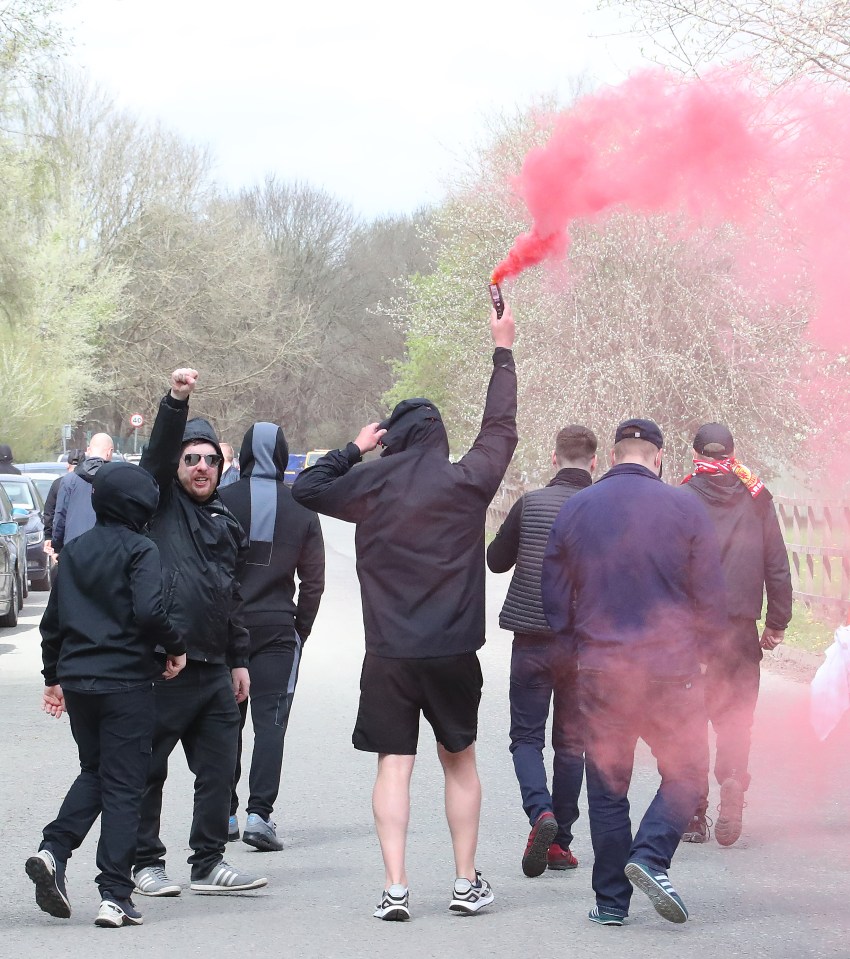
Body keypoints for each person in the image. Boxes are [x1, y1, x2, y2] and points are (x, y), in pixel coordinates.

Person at [293, 304, 517, 921]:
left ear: (392, 439)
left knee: (396, 764)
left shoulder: (372, 487)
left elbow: (305, 489)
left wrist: (355, 448)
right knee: (459, 762)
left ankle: (395, 889)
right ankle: (465, 883)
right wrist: (503, 349)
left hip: (389, 653)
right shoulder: (467, 481)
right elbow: (501, 429)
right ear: (440, 436)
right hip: (451, 652)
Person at [541, 418, 725, 927]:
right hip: (672, 670)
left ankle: (611, 903)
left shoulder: (577, 508)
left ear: (614, 455)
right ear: (658, 457)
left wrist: (575, 647)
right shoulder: (687, 506)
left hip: (601, 669)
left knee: (607, 788)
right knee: (686, 773)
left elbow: (553, 596)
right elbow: (711, 593)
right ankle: (651, 855)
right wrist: (706, 653)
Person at [27, 462, 186, 928]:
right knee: (124, 785)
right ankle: (115, 894)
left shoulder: (74, 551)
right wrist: (175, 647)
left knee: (95, 771)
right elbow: (149, 611)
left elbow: (51, 622)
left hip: (79, 682)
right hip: (126, 682)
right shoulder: (142, 548)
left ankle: (53, 851)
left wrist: (52, 675)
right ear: (141, 506)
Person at [132, 368, 267, 897]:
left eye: (212, 459)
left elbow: (231, 598)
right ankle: (145, 862)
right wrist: (176, 401)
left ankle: (208, 862)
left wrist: (240, 660)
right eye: (192, 458)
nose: (203, 466)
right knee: (149, 771)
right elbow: (160, 453)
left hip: (214, 669)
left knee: (219, 769)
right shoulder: (160, 503)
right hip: (165, 665)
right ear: (178, 467)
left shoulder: (225, 523)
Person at [487, 425, 596, 878]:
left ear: (554, 459)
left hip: (531, 638)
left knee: (526, 738)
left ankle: (541, 816)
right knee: (572, 744)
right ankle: (561, 843)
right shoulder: (602, 508)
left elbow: (495, 560)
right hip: (582, 645)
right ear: (594, 462)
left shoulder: (530, 503)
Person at [680, 422, 792, 847]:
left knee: (689, 720)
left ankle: (694, 814)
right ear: (733, 451)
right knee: (736, 718)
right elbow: (777, 564)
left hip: (693, 633)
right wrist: (777, 623)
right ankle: (731, 781)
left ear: (695, 453)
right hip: (741, 630)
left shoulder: (683, 497)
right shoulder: (757, 497)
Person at [218, 421, 325, 851]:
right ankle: (260, 816)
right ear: (282, 457)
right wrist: (301, 628)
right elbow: (313, 583)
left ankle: (223, 813)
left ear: (243, 455)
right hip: (278, 629)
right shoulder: (301, 507)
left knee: (225, 725)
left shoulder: (222, 502)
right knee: (271, 725)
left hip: (227, 633)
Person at [52, 434, 115, 554]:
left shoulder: (69, 480)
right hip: (107, 549)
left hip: (74, 548)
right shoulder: (117, 479)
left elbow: (60, 515)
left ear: (88, 450)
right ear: (109, 452)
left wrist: (57, 545)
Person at [43, 450, 83, 555]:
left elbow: (49, 512)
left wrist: (49, 536)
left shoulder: (58, 484)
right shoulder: (89, 483)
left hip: (64, 538)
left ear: (67, 465)